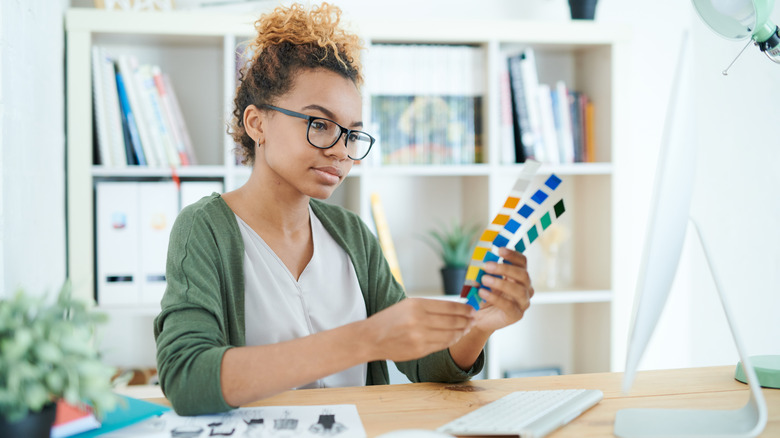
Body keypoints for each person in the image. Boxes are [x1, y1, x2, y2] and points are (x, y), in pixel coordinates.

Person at [154, 2, 535, 416]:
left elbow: (424, 363)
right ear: (256, 123)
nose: (340, 151)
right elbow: (187, 377)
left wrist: (476, 328)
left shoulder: (351, 235)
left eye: (352, 134)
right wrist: (366, 339)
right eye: (319, 124)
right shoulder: (205, 230)